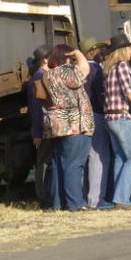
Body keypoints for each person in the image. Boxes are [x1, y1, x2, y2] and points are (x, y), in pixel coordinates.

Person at [41, 45, 94, 211]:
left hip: (57, 126)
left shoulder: (48, 75)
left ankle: (58, 203)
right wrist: (78, 53)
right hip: (74, 125)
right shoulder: (67, 71)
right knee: (74, 164)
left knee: (59, 164)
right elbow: (85, 69)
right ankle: (75, 203)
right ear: (66, 58)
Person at [102, 34, 131, 209]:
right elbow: (129, 91)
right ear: (123, 50)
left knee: (120, 157)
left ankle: (118, 197)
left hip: (110, 117)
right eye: (129, 48)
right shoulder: (123, 67)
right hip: (122, 117)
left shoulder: (108, 69)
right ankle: (122, 199)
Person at [79, 37, 112, 210]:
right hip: (96, 114)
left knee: (84, 157)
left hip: (81, 115)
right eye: (98, 49)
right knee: (99, 157)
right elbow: (101, 94)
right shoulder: (97, 69)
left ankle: (84, 196)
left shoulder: (78, 69)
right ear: (92, 51)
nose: (101, 52)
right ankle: (96, 199)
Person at [27, 44, 53, 205]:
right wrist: (37, 132)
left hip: (46, 124)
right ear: (45, 60)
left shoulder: (42, 75)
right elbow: (36, 107)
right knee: (43, 160)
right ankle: (42, 195)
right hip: (43, 125)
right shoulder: (39, 77)